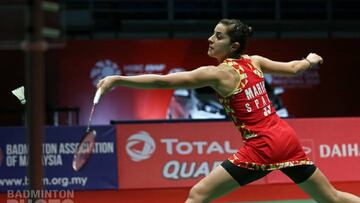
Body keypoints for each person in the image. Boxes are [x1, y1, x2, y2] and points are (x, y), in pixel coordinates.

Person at [96, 19, 360, 203]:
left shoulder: (217, 74)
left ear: (233, 46)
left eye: (218, 36)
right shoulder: (253, 61)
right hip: (286, 138)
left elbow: (162, 81)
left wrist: (117, 80)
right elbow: (294, 68)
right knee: (332, 198)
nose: (210, 39)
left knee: (198, 195)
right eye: (213, 33)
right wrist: (311, 59)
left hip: (262, 146)